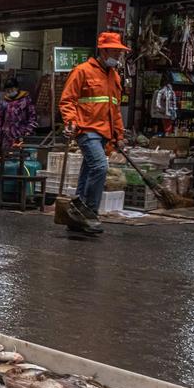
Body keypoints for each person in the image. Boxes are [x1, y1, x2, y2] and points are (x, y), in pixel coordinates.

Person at [59, 31, 128, 235]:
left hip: (104, 133)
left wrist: (119, 135)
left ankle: (76, 213)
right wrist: (71, 122)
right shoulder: (82, 71)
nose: (118, 56)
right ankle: (90, 211)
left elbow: (114, 109)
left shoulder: (114, 77)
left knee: (89, 170)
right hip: (86, 129)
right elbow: (67, 100)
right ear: (103, 51)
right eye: (115, 52)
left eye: (119, 52)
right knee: (99, 166)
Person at [0, 78, 37, 152]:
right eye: (7, 90)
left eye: (11, 89)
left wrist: (28, 131)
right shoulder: (4, 102)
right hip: (6, 137)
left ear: (17, 88)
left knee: (20, 158)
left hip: (21, 136)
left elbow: (32, 117)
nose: (9, 91)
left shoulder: (26, 100)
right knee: (6, 159)